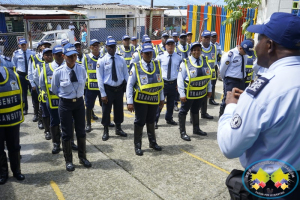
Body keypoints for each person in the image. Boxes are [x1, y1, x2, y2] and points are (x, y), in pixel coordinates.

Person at [218, 12, 300, 199]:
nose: (255, 47)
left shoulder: (262, 91)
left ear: (269, 45)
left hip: (271, 184)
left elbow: (229, 147)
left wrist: (231, 107)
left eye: (259, 40)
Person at [51, 43, 91, 172]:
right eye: (70, 56)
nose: (73, 58)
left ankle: (82, 157)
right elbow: (54, 88)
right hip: (66, 104)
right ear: (63, 56)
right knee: (67, 133)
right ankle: (68, 160)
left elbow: (83, 84)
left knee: (81, 131)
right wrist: (64, 96)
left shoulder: (81, 69)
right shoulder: (58, 72)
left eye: (74, 55)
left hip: (79, 103)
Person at [126, 43, 164, 156]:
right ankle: (137, 145)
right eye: (146, 53)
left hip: (153, 99)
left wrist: (162, 99)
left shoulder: (157, 65)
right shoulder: (136, 67)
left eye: (150, 53)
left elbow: (160, 83)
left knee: (151, 121)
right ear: (141, 54)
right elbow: (129, 85)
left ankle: (152, 142)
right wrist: (129, 102)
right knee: (140, 122)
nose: (149, 55)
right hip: (141, 100)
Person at [177, 42, 212, 141]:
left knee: (196, 110)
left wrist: (209, 89)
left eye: (198, 50)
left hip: (201, 93)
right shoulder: (185, 62)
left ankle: (196, 129)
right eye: (195, 50)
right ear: (191, 51)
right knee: (183, 111)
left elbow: (208, 76)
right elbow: (180, 79)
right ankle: (182, 132)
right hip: (189, 93)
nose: (197, 52)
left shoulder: (204, 61)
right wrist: (182, 94)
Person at [96, 37, 128, 141]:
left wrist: (128, 89)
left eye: (113, 46)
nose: (112, 49)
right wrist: (103, 94)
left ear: (116, 47)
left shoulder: (121, 59)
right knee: (106, 111)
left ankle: (118, 128)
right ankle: (106, 130)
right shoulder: (102, 60)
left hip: (119, 89)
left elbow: (126, 74)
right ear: (106, 47)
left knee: (119, 110)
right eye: (109, 47)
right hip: (108, 89)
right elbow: (99, 78)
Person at [0, 65, 25, 184]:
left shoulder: (12, 73)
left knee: (14, 146)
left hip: (13, 119)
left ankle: (17, 171)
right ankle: (3, 173)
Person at [219, 39, 254, 117]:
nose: (246, 54)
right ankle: (222, 117)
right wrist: (225, 80)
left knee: (239, 100)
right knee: (228, 101)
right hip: (231, 80)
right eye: (245, 52)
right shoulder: (230, 54)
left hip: (242, 80)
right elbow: (222, 69)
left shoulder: (245, 54)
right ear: (240, 48)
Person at [155, 38, 181, 129]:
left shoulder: (178, 57)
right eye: (168, 44)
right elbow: (156, 69)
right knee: (160, 102)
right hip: (163, 83)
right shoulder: (160, 56)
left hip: (173, 83)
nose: (170, 46)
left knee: (171, 102)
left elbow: (180, 72)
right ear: (165, 46)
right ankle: (155, 120)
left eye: (172, 44)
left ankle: (169, 118)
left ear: (174, 46)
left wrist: (178, 83)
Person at [28, 40, 51, 123]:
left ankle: (45, 120)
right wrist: (32, 84)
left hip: (48, 84)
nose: (46, 47)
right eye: (44, 45)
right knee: (39, 101)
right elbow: (30, 72)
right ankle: (39, 118)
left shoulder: (51, 57)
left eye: (48, 46)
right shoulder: (34, 58)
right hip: (38, 84)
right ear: (40, 47)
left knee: (46, 102)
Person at [83, 39, 102, 133]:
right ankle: (88, 124)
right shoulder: (86, 58)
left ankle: (106, 122)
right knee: (89, 106)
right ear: (90, 47)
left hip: (101, 87)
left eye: (97, 45)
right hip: (90, 87)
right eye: (93, 45)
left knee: (105, 105)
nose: (95, 47)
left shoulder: (102, 57)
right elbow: (83, 71)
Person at [12, 39, 35, 116]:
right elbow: (13, 64)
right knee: (23, 93)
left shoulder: (32, 53)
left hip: (30, 75)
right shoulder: (16, 54)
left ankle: (35, 109)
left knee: (33, 92)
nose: (24, 46)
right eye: (22, 45)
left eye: (25, 44)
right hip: (21, 75)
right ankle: (25, 109)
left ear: (27, 45)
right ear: (19, 46)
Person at [199, 30, 215, 120]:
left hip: (209, 75)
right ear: (201, 38)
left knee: (206, 95)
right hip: (199, 75)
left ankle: (204, 112)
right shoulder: (197, 47)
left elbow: (215, 61)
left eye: (208, 37)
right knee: (197, 95)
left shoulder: (213, 47)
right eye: (205, 37)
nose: (207, 39)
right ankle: (194, 114)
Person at [174, 33, 191, 112]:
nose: (183, 39)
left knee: (185, 87)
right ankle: (175, 104)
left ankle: (184, 102)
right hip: (178, 70)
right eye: (182, 38)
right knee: (177, 88)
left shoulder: (189, 47)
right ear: (179, 39)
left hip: (188, 70)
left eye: (184, 38)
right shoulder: (176, 48)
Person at [209, 31, 222, 105]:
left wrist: (219, 68)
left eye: (215, 37)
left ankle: (211, 99)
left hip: (214, 67)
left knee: (213, 84)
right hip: (207, 67)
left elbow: (219, 58)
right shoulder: (208, 46)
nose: (214, 38)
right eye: (212, 37)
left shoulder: (218, 45)